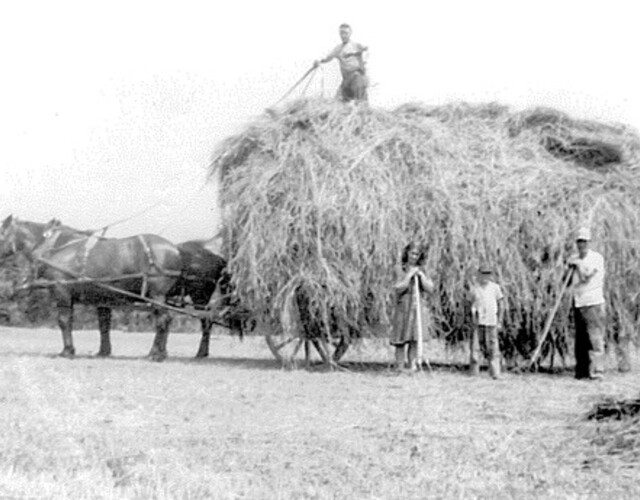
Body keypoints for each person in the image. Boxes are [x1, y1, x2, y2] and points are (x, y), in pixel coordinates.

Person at [567, 227, 606, 380]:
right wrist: (568, 267)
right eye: (579, 241)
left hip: (593, 302)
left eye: (584, 241)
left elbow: (586, 277)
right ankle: (582, 371)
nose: (581, 244)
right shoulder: (575, 258)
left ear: (589, 242)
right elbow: (567, 280)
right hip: (578, 302)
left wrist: (577, 265)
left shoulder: (596, 258)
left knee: (594, 337)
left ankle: (597, 372)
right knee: (580, 339)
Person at [390, 242, 434, 371]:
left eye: (417, 254)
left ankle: (412, 366)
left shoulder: (423, 270)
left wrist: (422, 277)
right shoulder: (399, 268)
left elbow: (430, 289)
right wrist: (409, 276)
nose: (414, 257)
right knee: (400, 339)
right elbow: (398, 288)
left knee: (414, 338)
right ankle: (399, 367)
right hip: (403, 307)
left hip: (417, 307)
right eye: (412, 253)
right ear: (407, 253)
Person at [314, 23, 368, 102]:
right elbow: (327, 57)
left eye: (345, 33)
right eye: (341, 33)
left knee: (360, 102)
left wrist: (365, 63)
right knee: (338, 102)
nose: (343, 35)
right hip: (346, 79)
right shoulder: (338, 48)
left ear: (350, 33)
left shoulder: (356, 45)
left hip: (356, 77)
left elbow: (368, 50)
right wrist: (318, 61)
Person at [469, 264, 504, 379]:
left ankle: (495, 372)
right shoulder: (475, 288)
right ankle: (474, 373)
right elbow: (469, 303)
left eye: (488, 274)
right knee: (475, 347)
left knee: (493, 348)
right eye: (483, 273)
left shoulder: (495, 288)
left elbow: (501, 305)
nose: (485, 276)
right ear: (478, 274)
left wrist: (499, 321)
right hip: (478, 322)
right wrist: (471, 317)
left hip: (491, 321)